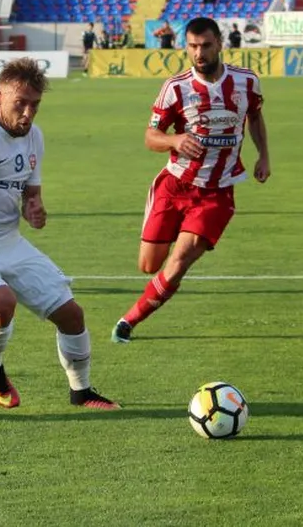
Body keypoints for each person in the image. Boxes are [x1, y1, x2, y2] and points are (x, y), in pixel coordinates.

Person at [0, 59, 119, 411]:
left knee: (72, 314)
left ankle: (82, 392)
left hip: (9, 243)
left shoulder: (34, 138)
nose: (28, 113)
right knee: (2, 303)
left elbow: (31, 193)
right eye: (20, 104)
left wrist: (34, 209)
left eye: (35, 105)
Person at [112, 17, 271, 343]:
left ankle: (128, 322)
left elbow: (255, 116)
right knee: (148, 265)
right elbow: (150, 136)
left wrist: (264, 155)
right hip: (174, 185)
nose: (200, 53)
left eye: (206, 45)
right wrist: (173, 141)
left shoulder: (246, 82)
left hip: (216, 192)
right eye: (194, 46)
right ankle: (171, 237)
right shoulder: (175, 88)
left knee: (179, 260)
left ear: (220, 44)